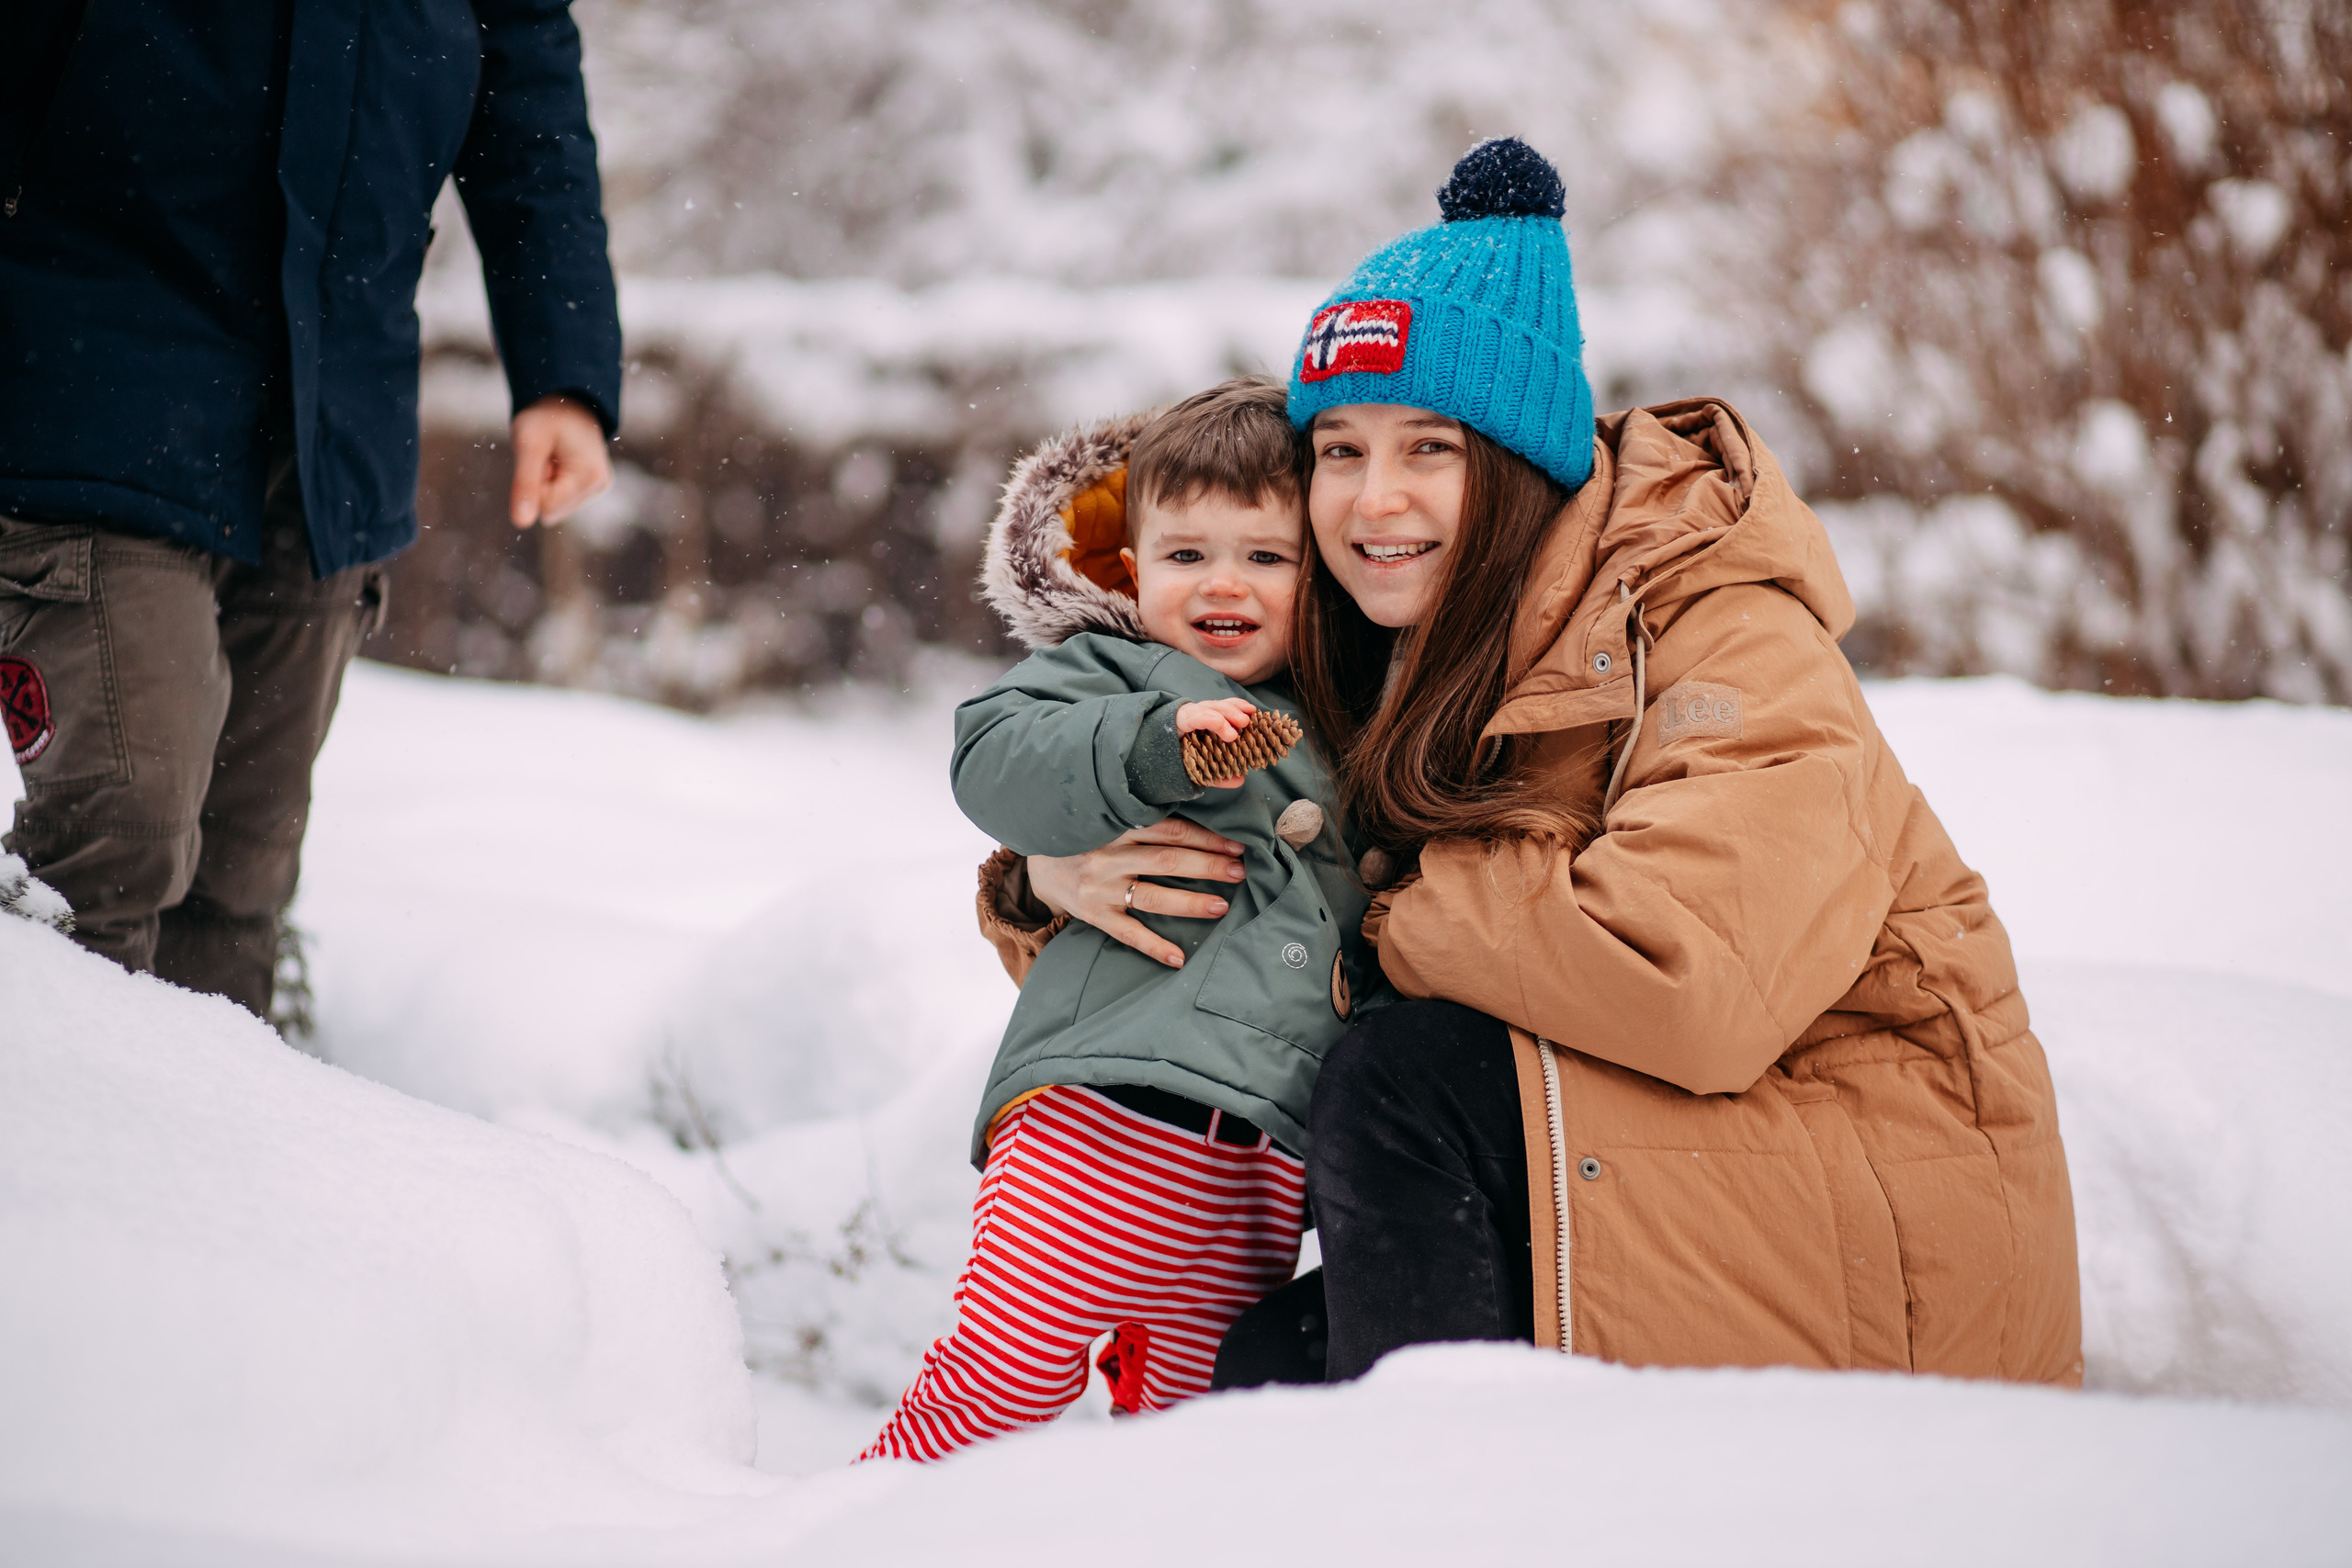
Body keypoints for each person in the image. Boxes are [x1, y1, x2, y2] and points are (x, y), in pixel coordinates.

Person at [988, 139, 2083, 1388]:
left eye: (1429, 449)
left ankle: (1473, 1496)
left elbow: (1687, 981)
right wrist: (1059, 873)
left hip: (1884, 1242)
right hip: (1673, 1165)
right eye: (1339, 450)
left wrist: (1376, 902)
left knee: (1398, 1080)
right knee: (1261, 1375)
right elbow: (1236, 938)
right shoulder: (1410, 640)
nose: (1371, 498)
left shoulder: (1725, 627)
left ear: (1517, 465)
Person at [0, 0, 620, 1016]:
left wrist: (564, 366)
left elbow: (526, 67)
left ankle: (232, 1164)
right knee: (115, 847)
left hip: (335, 401)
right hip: (90, 360)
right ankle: (66, 1158)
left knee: (237, 889)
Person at [863, 378, 1374, 1461]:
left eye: (1265, 558)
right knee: (999, 1386)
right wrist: (1151, 750)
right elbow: (993, 759)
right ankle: (862, 1531)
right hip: (1102, 1118)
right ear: (1131, 573)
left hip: (1262, 1158)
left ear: (1320, 575)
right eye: (1186, 557)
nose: (1222, 584)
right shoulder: (1113, 673)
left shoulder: (1352, 716)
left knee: (1185, 1436)